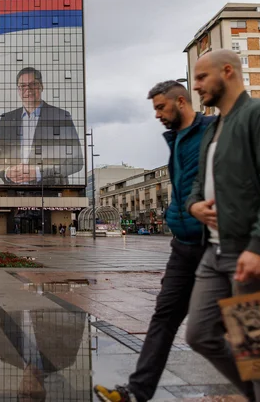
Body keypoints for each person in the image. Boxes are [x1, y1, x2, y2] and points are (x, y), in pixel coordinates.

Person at [185, 50, 260, 402]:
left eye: (202, 77)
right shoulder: (214, 126)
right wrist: (194, 206)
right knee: (199, 334)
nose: (196, 85)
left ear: (228, 72)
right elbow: (196, 185)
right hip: (219, 249)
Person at [94, 80, 213, 402]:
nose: (157, 115)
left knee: (224, 328)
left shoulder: (213, 130)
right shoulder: (176, 139)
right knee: (164, 316)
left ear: (181, 102)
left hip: (215, 243)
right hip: (184, 243)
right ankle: (137, 390)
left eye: (161, 107)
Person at [0, 67, 83, 186]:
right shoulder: (6, 119)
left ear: (41, 86)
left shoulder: (61, 116)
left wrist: (39, 173)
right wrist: (7, 172)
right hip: (14, 194)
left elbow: (76, 161)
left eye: (33, 84)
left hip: (50, 193)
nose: (28, 90)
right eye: (23, 86)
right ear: (18, 90)